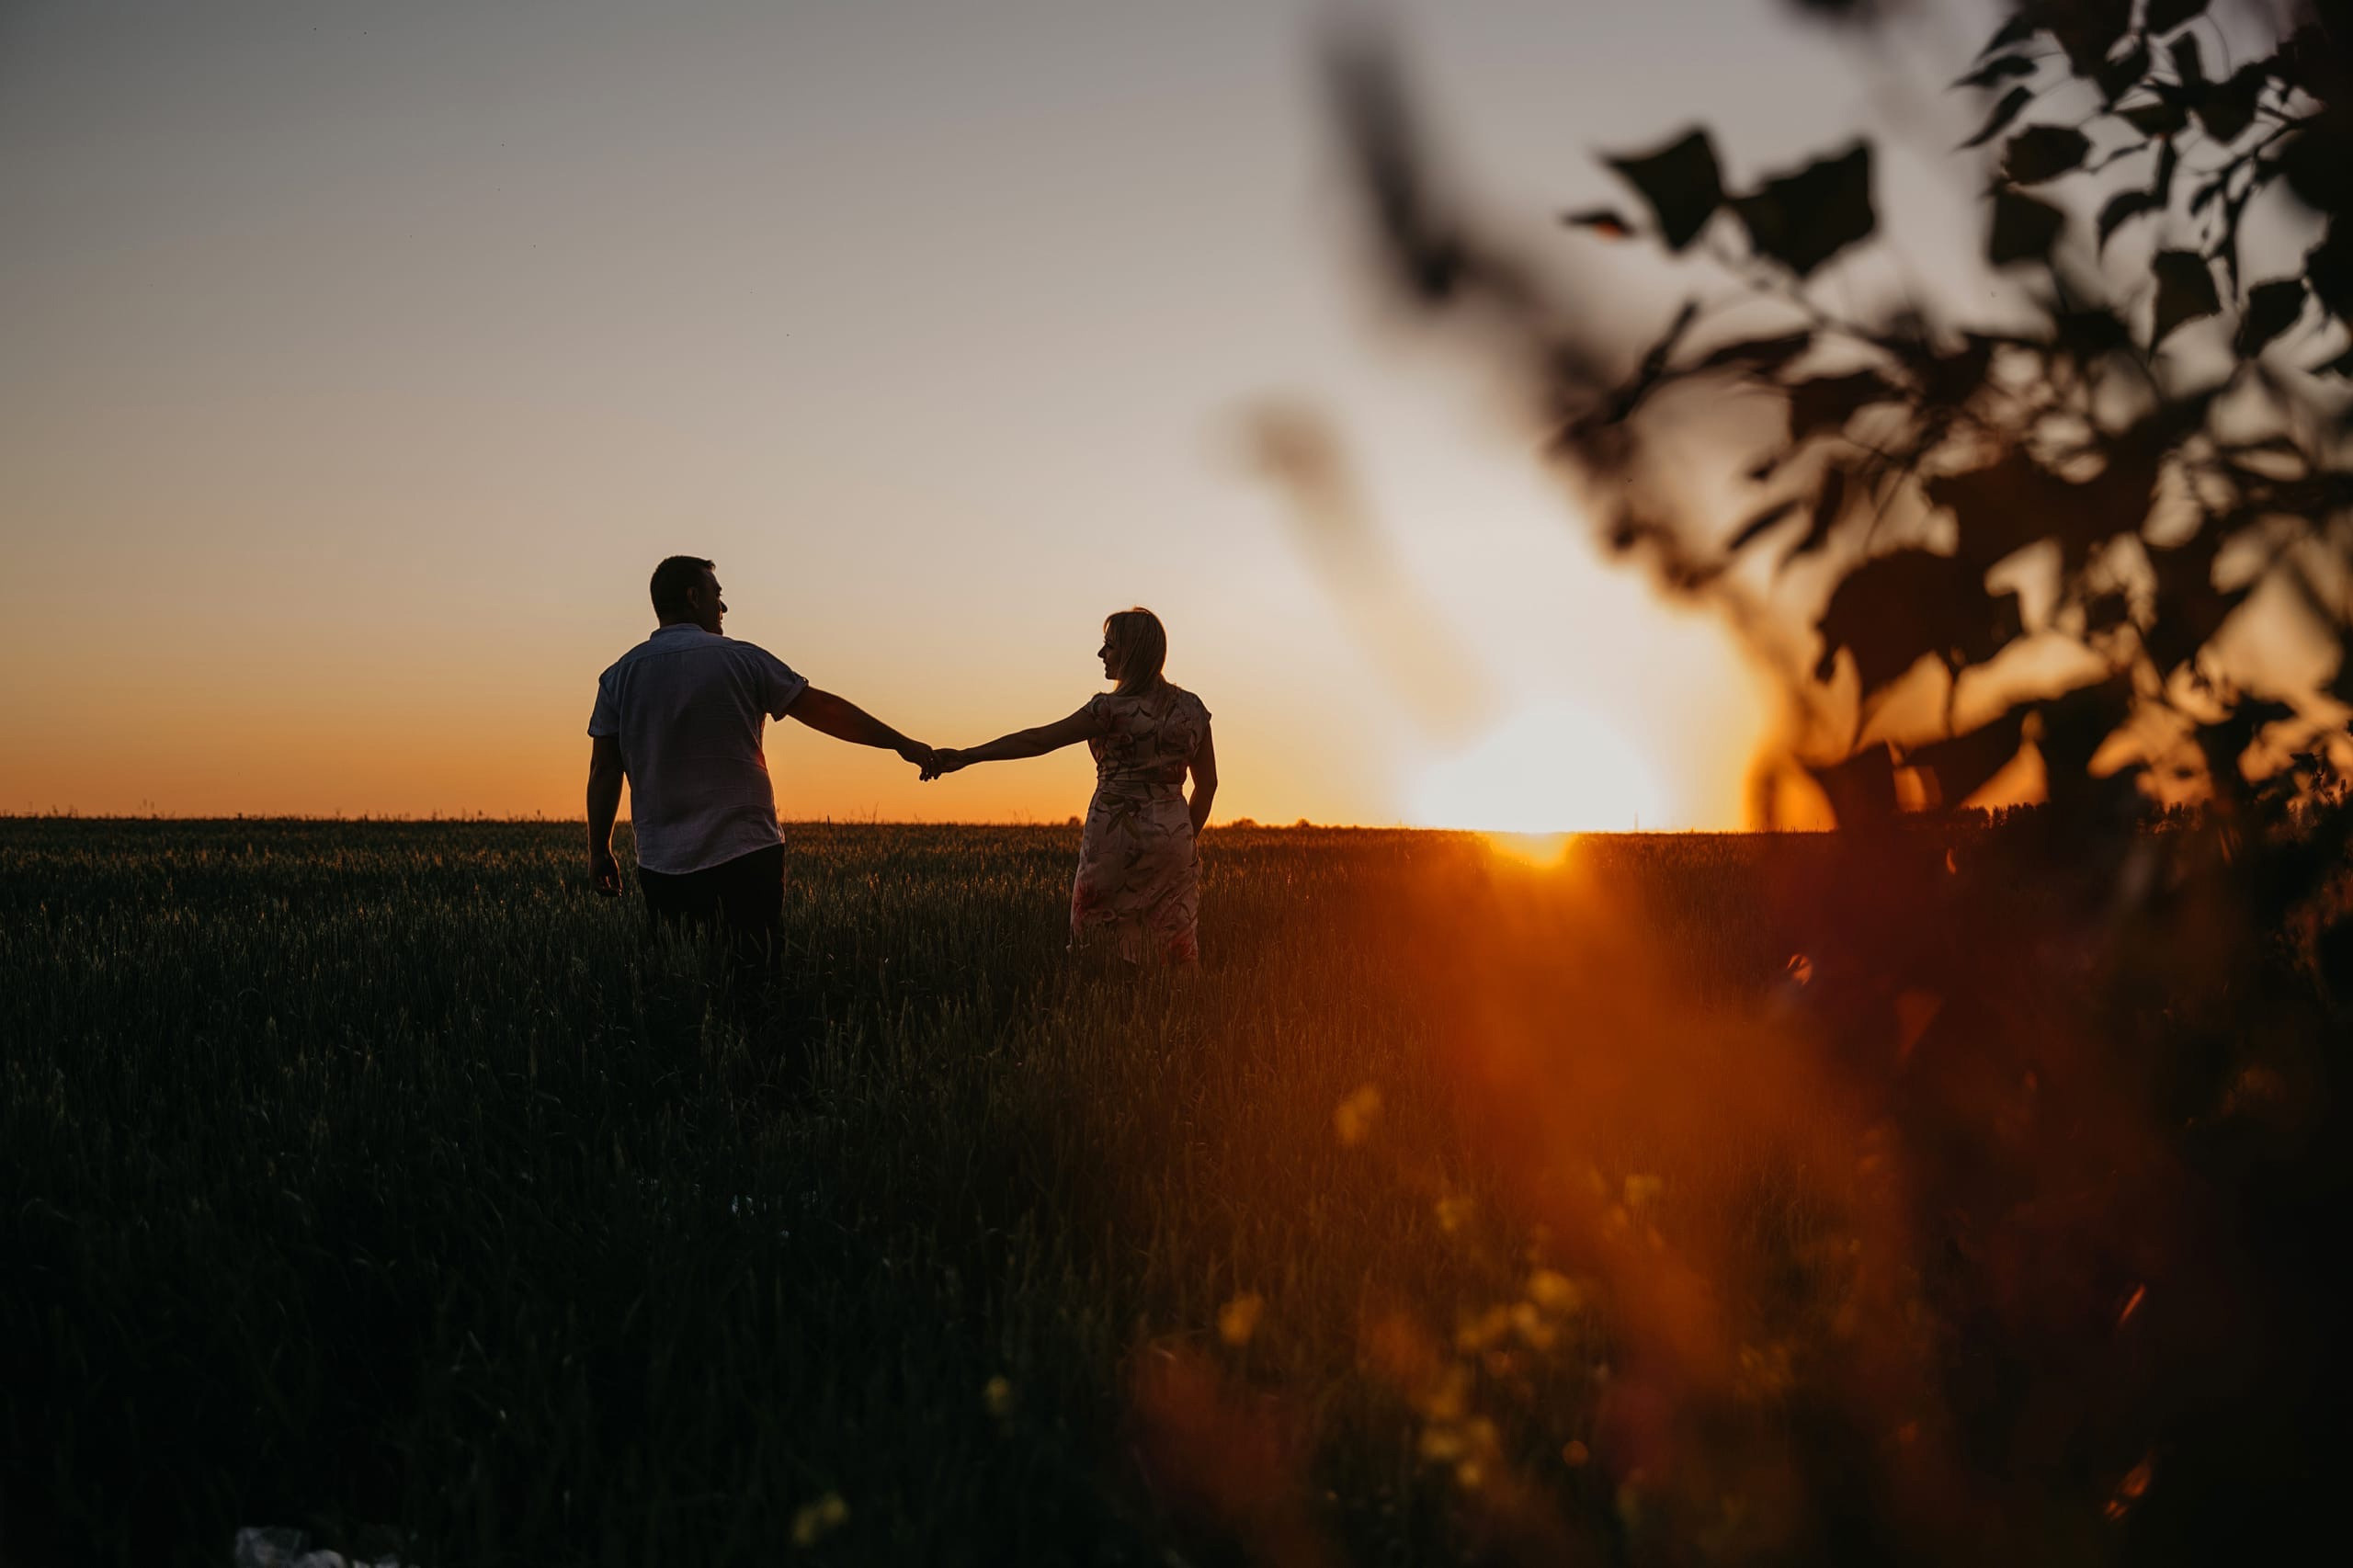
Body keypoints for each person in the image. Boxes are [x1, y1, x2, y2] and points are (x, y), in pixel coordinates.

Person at [585, 556, 933, 955]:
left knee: (684, 986)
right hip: (747, 854)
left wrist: (600, 851)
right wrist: (900, 743)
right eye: (718, 595)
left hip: (663, 863)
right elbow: (824, 710)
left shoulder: (619, 677)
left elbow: (605, 769)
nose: (724, 607)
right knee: (757, 983)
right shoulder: (742, 658)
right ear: (693, 596)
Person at [923, 608, 1216, 963]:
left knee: (1097, 950)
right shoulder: (1192, 709)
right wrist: (1182, 835)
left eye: (1109, 646)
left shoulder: (1108, 709)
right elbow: (1208, 784)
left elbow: (1037, 741)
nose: (1101, 654)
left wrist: (969, 755)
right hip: (1174, 845)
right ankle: (1173, 1016)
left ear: (1133, 651)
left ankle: (1101, 1015)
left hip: (1112, 844)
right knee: (1171, 951)